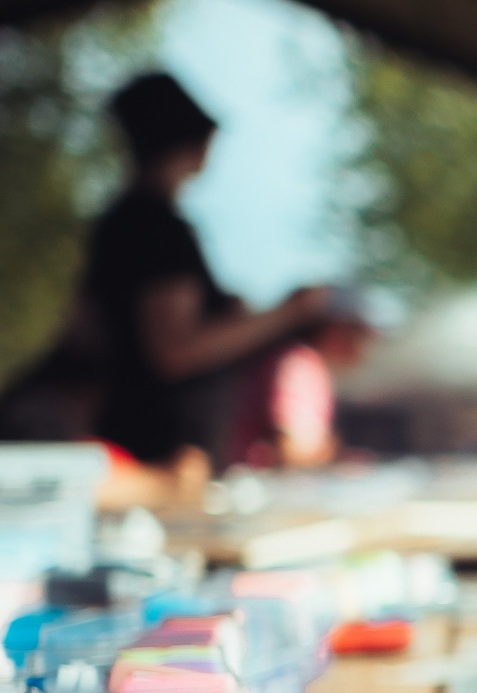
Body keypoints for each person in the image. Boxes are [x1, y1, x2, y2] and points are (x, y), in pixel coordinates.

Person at [80, 72, 327, 467]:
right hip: (160, 456)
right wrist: (287, 312)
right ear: (192, 140)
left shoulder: (122, 223)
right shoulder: (156, 227)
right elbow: (174, 350)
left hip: (137, 446)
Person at [221, 288, 381, 468]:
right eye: (359, 333)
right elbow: (294, 452)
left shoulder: (288, 358)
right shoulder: (300, 364)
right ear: (337, 328)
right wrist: (335, 451)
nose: (364, 347)